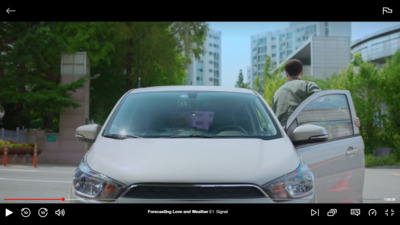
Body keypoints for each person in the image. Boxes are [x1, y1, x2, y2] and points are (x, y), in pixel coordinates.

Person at [272, 59, 360, 128]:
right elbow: (326, 104)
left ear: (286, 74)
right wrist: (349, 118)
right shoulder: (308, 86)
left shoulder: (276, 94)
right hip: (303, 135)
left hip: (282, 138)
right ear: (302, 72)